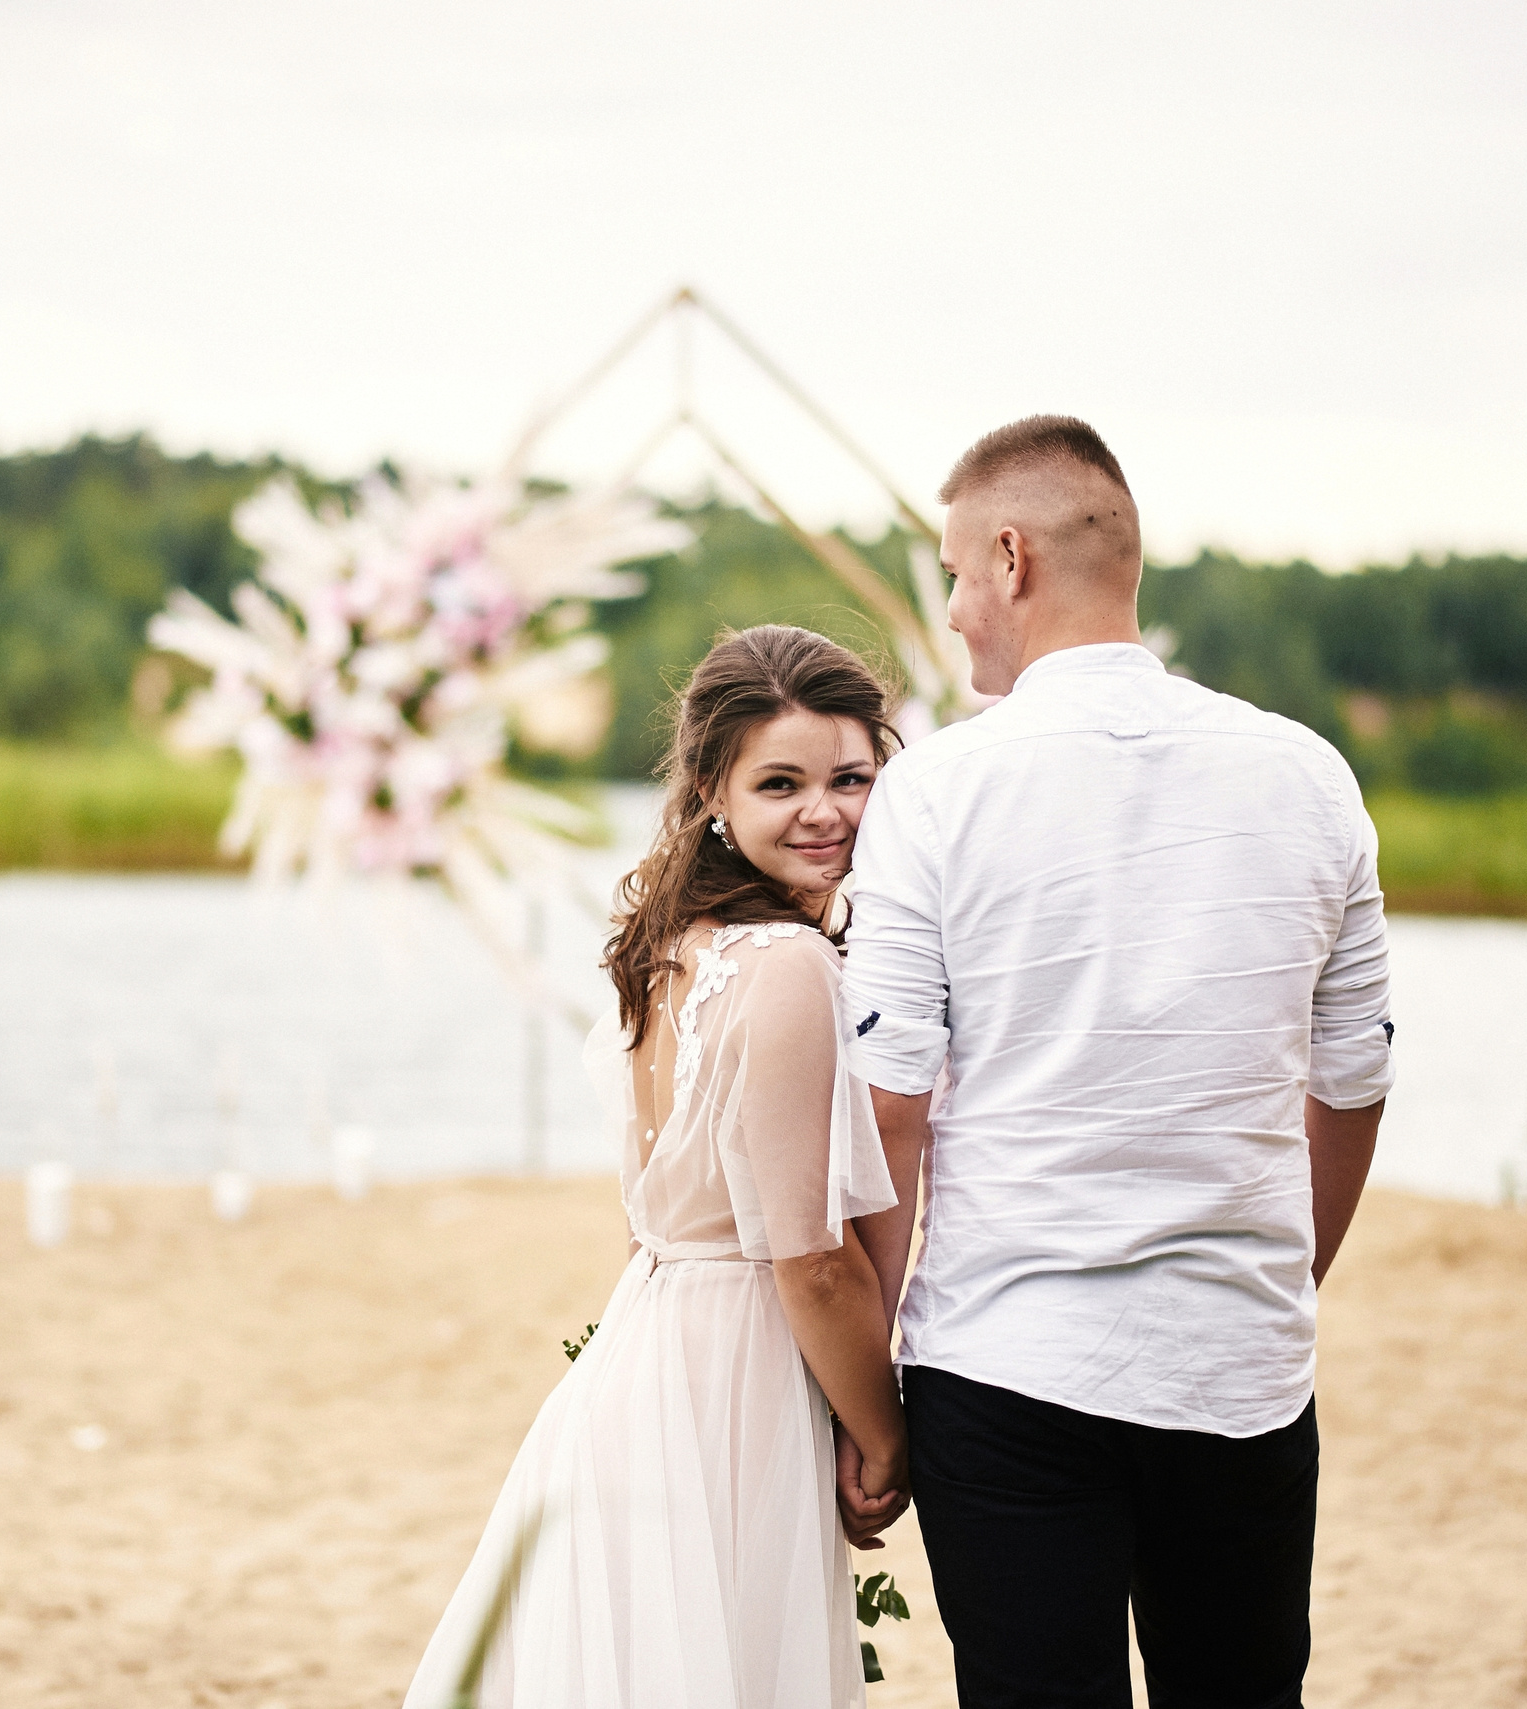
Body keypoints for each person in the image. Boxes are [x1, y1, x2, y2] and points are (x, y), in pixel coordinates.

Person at [838, 417, 1395, 1709]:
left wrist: (872, 1387)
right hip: (1241, 1367)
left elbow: (893, 1108)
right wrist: (1274, 1273)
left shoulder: (939, 790)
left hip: (1008, 1364)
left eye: (955, 571)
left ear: (1012, 557)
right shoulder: (1310, 777)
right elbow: (1353, 1081)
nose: (957, 606)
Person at [405, 625, 913, 1709]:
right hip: (736, 1370)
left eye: (852, 776)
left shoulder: (670, 940)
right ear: (710, 791)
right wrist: (882, 1434)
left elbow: (652, 1215)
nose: (825, 810)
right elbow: (808, 1260)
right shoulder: (785, 967)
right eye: (781, 782)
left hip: (648, 1351)